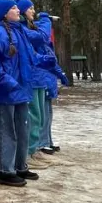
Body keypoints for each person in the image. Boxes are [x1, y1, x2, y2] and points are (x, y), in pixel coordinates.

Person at [0, 0, 39, 187]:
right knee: (6, 130)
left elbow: (30, 57)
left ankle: (19, 165)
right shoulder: (0, 34)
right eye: (13, 8)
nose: (18, 10)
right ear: (4, 13)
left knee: (22, 129)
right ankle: (3, 170)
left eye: (17, 7)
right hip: (7, 92)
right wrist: (9, 83)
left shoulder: (20, 32)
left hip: (22, 90)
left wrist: (46, 62)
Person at [15, 0, 65, 168]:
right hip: (31, 79)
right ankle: (27, 153)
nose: (33, 12)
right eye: (30, 8)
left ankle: (34, 150)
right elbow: (42, 38)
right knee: (33, 117)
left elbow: (45, 51)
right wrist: (45, 20)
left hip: (39, 78)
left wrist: (57, 72)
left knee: (40, 116)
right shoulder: (21, 29)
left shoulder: (29, 27)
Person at [34, 11, 67, 154]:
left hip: (48, 80)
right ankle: (41, 143)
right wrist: (46, 21)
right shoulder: (38, 42)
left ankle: (47, 140)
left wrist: (61, 74)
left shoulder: (47, 45)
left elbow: (53, 63)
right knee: (42, 115)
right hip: (42, 80)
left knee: (48, 113)